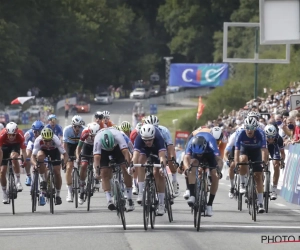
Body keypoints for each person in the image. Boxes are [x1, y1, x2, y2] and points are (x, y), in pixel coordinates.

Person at [93, 127, 134, 211]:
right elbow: (97, 158)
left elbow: (125, 152)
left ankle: (129, 198)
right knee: (104, 173)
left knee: (125, 168)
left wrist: (128, 166)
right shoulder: (97, 139)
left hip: (117, 148)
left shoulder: (118, 135)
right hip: (103, 151)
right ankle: (109, 200)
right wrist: (97, 172)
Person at [131, 124, 167, 215]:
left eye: (150, 140)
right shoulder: (139, 139)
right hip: (145, 151)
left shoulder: (159, 138)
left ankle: (161, 203)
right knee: (140, 160)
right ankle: (141, 192)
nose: (148, 142)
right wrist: (131, 166)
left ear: (153, 136)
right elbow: (135, 155)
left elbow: (162, 156)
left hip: (157, 150)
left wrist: (162, 167)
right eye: (145, 140)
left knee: (159, 173)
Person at [183, 132, 222, 217]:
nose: (199, 155)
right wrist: (187, 169)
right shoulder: (190, 144)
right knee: (192, 166)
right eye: (198, 154)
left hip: (209, 155)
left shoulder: (211, 143)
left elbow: (219, 160)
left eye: (200, 153)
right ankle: (192, 195)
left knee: (215, 175)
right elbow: (186, 158)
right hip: (195, 156)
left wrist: (218, 170)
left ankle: (209, 205)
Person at [235, 117, 268, 213]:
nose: (249, 130)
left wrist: (264, 163)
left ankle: (260, 203)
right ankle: (242, 183)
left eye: (252, 128)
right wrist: (237, 164)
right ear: (244, 127)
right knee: (243, 159)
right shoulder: (240, 133)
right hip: (244, 149)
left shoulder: (260, 133)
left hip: (256, 151)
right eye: (247, 127)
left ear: (255, 128)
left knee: (258, 176)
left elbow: (264, 150)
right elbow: (236, 151)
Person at [31, 128, 68, 205]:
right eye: (45, 141)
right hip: (43, 151)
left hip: (54, 152)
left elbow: (65, 154)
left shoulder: (56, 139)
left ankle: (58, 195)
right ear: (42, 138)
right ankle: (43, 180)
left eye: (49, 140)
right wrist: (35, 164)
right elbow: (33, 156)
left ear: (52, 138)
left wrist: (64, 163)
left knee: (57, 172)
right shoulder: (38, 140)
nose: (47, 143)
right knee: (40, 156)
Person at [0, 122, 27, 203]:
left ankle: (18, 181)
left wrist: (24, 161)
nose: (11, 137)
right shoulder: (2, 135)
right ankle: (4, 193)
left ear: (16, 132)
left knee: (14, 157)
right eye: (9, 135)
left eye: (13, 135)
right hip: (4, 147)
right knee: (2, 172)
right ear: (6, 133)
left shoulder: (20, 134)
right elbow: (0, 151)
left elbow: (24, 151)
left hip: (15, 146)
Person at [76, 122, 100, 205]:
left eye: (95, 136)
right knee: (84, 165)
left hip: (96, 146)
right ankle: (82, 191)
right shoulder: (85, 132)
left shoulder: (100, 133)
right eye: (92, 136)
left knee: (97, 161)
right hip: (87, 146)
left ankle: (96, 178)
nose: (93, 137)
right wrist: (77, 157)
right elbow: (79, 147)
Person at [63, 115, 85, 202]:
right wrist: (64, 155)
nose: (77, 128)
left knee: (83, 165)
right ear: (72, 125)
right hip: (70, 146)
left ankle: (82, 185)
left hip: (80, 146)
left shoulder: (84, 130)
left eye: (79, 126)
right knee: (69, 167)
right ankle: (69, 191)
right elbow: (64, 145)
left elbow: (86, 144)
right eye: (75, 126)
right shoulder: (67, 130)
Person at [264, 124, 285, 200]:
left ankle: (274, 190)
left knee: (276, 164)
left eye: (272, 137)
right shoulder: (261, 137)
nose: (270, 139)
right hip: (264, 147)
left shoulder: (279, 138)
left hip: (274, 147)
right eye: (268, 137)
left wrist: (282, 161)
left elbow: (282, 153)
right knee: (263, 161)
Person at [23, 120, 44, 186]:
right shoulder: (28, 134)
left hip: (41, 146)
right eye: (35, 131)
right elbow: (23, 145)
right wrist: (23, 157)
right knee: (27, 155)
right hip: (32, 145)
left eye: (39, 132)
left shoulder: (44, 133)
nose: (37, 134)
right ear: (32, 130)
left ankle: (44, 181)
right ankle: (28, 175)